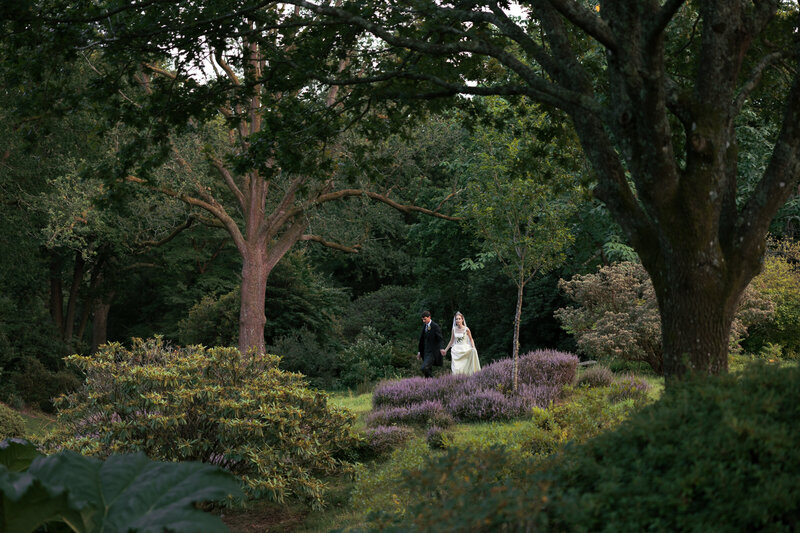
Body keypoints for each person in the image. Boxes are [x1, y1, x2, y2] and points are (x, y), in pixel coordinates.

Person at [443, 311, 481, 375]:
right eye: (456, 319)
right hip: (456, 351)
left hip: (465, 349)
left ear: (462, 319)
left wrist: (473, 347)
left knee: (466, 367)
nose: (458, 320)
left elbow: (471, 339)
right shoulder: (454, 329)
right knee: (456, 369)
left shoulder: (466, 329)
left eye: (459, 319)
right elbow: (451, 341)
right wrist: (445, 350)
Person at [417, 310, 443, 378]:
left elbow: (440, 339)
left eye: (425, 319)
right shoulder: (424, 326)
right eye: (422, 319)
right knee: (427, 370)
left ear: (429, 317)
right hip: (425, 352)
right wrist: (419, 351)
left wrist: (441, 348)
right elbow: (421, 340)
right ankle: (430, 385)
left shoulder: (435, 326)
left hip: (432, 352)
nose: (423, 321)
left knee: (424, 368)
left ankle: (433, 380)